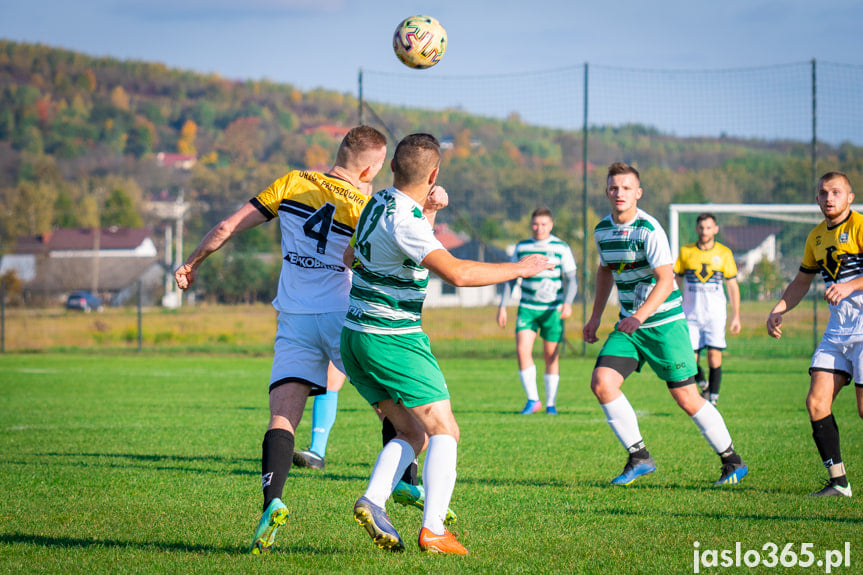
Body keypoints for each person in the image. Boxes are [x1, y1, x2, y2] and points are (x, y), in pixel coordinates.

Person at [174, 125, 389, 554]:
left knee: (282, 416)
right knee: (392, 405)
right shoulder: (366, 203)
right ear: (367, 169)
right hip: (341, 315)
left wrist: (192, 262)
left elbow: (226, 226)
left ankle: (272, 502)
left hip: (293, 316)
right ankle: (405, 486)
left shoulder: (293, 181)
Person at [341, 133, 552, 555]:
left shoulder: (376, 202)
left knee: (412, 431)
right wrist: (520, 268)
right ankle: (434, 529)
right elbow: (457, 274)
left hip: (356, 335)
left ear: (394, 167)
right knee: (445, 430)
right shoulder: (407, 220)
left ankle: (374, 500)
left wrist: (429, 211)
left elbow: (351, 257)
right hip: (393, 339)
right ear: (434, 173)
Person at [582, 162, 748, 487]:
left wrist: (639, 316)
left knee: (686, 397)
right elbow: (605, 272)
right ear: (606, 192)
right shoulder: (602, 230)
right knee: (602, 382)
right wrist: (595, 317)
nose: (619, 193)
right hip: (629, 327)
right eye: (614, 188)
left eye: (626, 188)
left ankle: (732, 461)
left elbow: (665, 279)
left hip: (664, 324)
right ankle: (639, 456)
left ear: (638, 193)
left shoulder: (649, 229)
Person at [767, 171, 863, 498]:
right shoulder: (816, 237)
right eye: (823, 193)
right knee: (816, 402)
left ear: (850, 197)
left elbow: (849, 281)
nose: (829, 198)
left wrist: (850, 285)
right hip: (838, 332)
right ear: (817, 198)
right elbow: (801, 282)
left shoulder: (861, 226)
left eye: (836, 192)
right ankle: (839, 482)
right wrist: (779, 308)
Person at [497, 207, 577, 415]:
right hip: (527, 309)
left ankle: (551, 403)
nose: (539, 228)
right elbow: (512, 277)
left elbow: (573, 280)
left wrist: (567, 303)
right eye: (535, 224)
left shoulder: (561, 247)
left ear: (551, 225)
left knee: (551, 356)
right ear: (531, 224)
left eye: (543, 224)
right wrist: (503, 306)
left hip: (552, 311)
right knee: (523, 351)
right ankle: (533, 400)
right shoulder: (523, 247)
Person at [674, 213, 741, 405]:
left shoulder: (724, 253)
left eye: (709, 228)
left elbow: (732, 286)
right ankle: (702, 382)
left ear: (715, 229)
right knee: (689, 358)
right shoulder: (686, 252)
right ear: (697, 229)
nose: (705, 231)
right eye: (701, 228)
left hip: (715, 315)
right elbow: (676, 281)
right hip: (690, 314)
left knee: (714, 357)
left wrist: (736, 316)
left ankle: (712, 398)